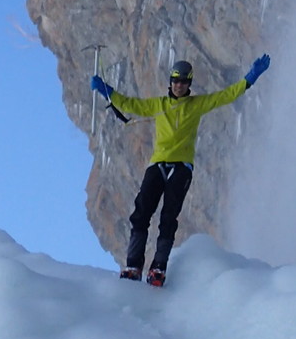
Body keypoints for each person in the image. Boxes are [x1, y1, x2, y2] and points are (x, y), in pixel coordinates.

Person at [91, 53, 270, 286]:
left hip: (182, 166)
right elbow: (131, 105)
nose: (178, 85)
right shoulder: (159, 105)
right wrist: (107, 90)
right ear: (170, 81)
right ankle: (133, 265)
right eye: (175, 81)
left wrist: (249, 78)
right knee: (141, 213)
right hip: (158, 164)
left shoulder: (196, 105)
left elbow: (225, 96)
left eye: (183, 82)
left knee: (168, 216)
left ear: (189, 84)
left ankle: (158, 268)